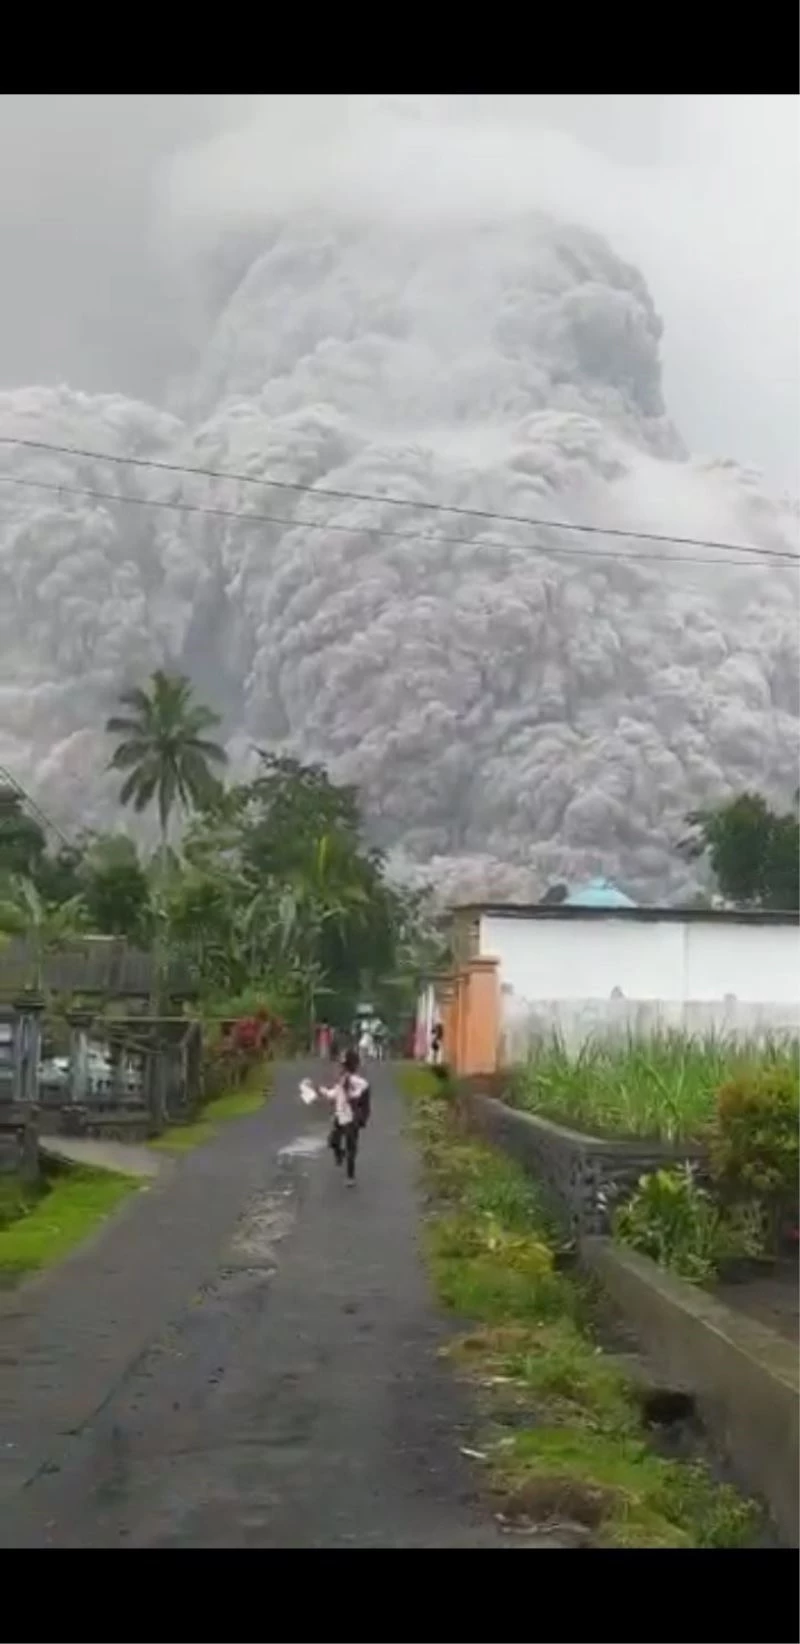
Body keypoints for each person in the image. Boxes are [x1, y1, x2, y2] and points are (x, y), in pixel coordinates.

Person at [319, 1048, 371, 1184]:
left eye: (343, 1065)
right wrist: (324, 1091)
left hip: (352, 1118)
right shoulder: (342, 1081)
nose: (341, 1067)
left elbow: (360, 1097)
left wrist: (351, 1094)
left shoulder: (358, 1082)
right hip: (340, 1116)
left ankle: (350, 1176)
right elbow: (334, 1095)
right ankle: (340, 1155)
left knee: (351, 1146)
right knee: (333, 1141)